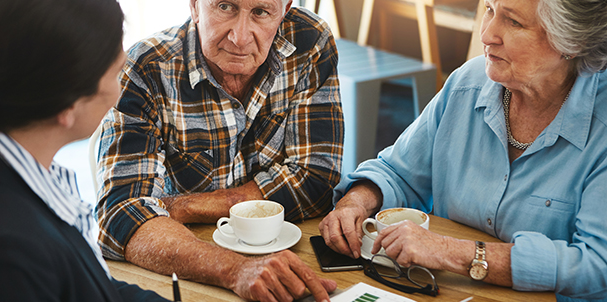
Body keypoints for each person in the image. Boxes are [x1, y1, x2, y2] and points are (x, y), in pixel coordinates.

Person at [319, 0, 607, 300]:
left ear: (573, 41)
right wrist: (356, 202)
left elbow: (597, 265)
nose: (487, 34)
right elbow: (398, 172)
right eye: (490, 10)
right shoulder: (467, 83)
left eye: (513, 22)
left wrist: (455, 253)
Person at [95, 0, 342, 301]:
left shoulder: (309, 41)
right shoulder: (147, 67)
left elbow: (317, 176)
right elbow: (122, 215)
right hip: (183, 264)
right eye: (225, 6)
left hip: (288, 254)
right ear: (195, 6)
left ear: (285, 9)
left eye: (261, 12)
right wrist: (235, 269)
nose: (240, 37)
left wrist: (179, 207)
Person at [0, 0, 168, 301]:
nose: (118, 93)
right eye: (115, 74)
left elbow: (93, 288)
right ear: (67, 103)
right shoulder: (5, 252)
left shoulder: (11, 169)